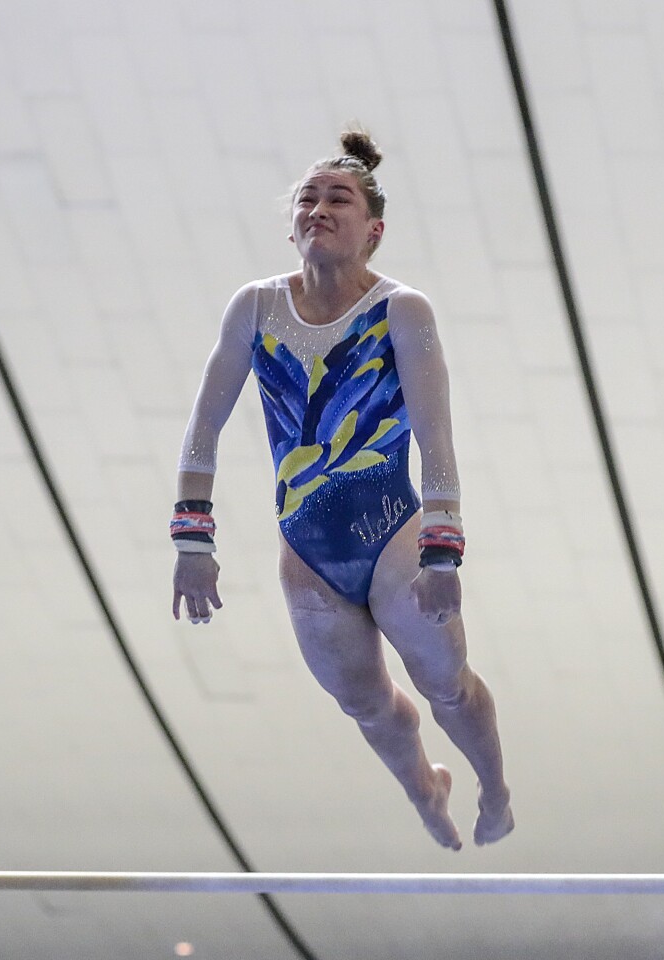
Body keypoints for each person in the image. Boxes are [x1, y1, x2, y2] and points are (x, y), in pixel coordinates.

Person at [170, 129, 513, 849]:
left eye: (338, 198)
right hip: (309, 552)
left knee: (445, 684)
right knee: (364, 703)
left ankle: (496, 786)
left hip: (396, 536)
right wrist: (192, 540)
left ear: (373, 229)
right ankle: (425, 790)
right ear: (291, 224)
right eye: (307, 199)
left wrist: (443, 550)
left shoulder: (401, 311)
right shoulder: (256, 308)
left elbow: (435, 435)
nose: (319, 208)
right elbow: (204, 425)